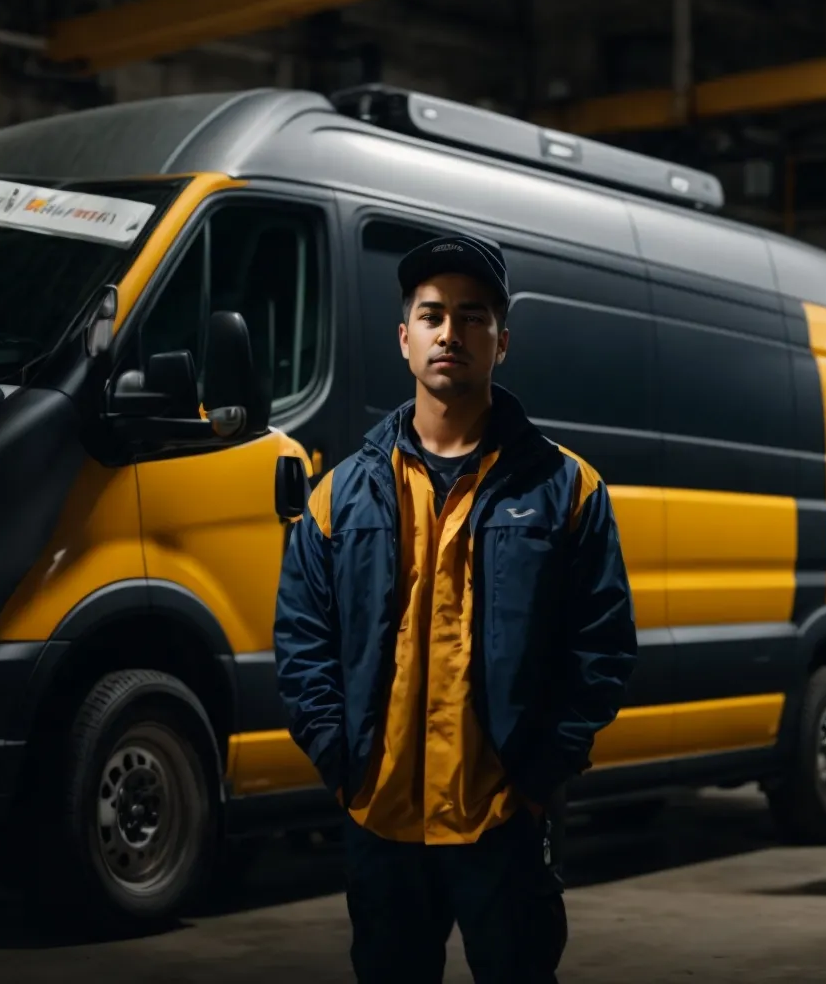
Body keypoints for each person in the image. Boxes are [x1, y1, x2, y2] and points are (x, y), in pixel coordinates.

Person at [273, 231, 639, 983]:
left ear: (503, 341)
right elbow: (302, 643)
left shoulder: (566, 490)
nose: (451, 333)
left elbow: (601, 650)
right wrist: (343, 766)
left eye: (473, 317)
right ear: (405, 338)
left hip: (500, 819)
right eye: (433, 315)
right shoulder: (337, 496)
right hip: (381, 819)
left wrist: (538, 780)